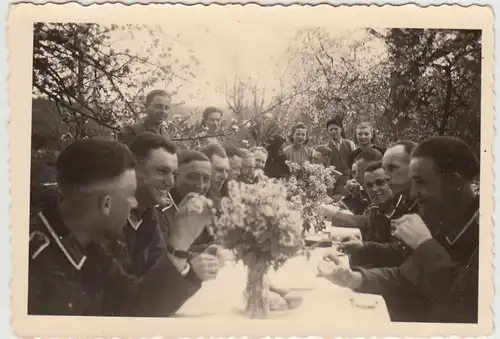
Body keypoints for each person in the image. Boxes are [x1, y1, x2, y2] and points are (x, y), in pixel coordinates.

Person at [28, 139, 211, 317]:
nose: (134, 204)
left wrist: (180, 247)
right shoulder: (36, 269)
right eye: (131, 194)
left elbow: (136, 302)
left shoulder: (89, 248)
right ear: (106, 204)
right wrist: (179, 244)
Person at [318, 136, 480, 323]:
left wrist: (424, 245)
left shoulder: (487, 230)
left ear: (454, 182)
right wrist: (355, 278)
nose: (413, 193)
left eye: (421, 182)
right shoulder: (443, 217)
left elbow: (469, 298)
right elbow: (406, 277)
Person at [335, 161, 411, 268]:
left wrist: (363, 247)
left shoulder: (407, 209)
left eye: (380, 183)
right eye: (369, 185)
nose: (374, 189)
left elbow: (398, 252)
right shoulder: (376, 209)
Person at [339, 148, 383, 215]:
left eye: (361, 171)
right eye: (356, 171)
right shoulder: (365, 192)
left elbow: (368, 221)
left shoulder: (384, 193)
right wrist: (355, 196)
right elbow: (362, 214)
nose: (357, 176)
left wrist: (335, 216)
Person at [324, 117, 356, 194]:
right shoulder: (326, 147)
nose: (333, 131)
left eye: (336, 129)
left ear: (341, 129)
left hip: (350, 183)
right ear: (328, 132)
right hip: (335, 187)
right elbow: (326, 169)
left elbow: (355, 164)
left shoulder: (350, 144)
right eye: (331, 129)